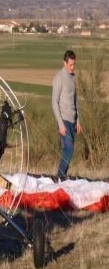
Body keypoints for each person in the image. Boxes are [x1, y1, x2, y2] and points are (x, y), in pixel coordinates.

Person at [52, 50, 82, 181]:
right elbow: (54, 101)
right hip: (63, 119)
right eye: (70, 65)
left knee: (68, 152)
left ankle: (63, 179)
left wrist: (78, 120)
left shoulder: (73, 77)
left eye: (74, 64)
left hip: (73, 120)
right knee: (68, 149)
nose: (72, 67)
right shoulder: (59, 77)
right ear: (64, 63)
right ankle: (59, 176)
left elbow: (75, 100)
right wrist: (60, 123)